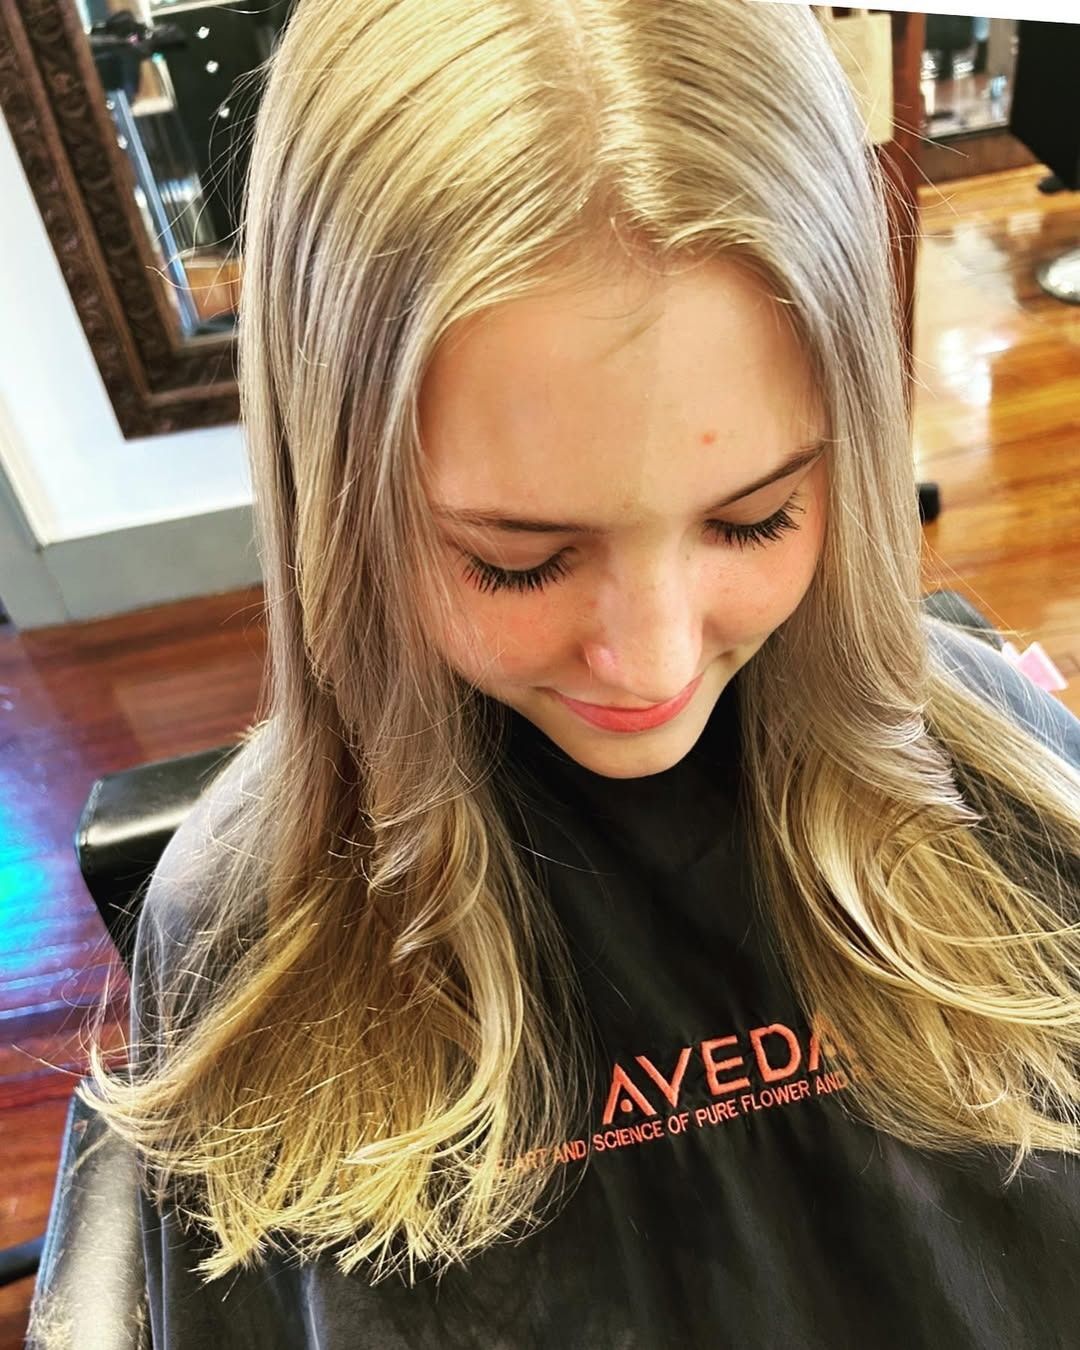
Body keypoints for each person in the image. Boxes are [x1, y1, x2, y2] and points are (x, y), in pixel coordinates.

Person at [32, 1, 1080, 1346]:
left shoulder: (1004, 770)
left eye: (756, 518)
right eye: (519, 562)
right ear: (340, 504)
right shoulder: (240, 923)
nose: (648, 660)